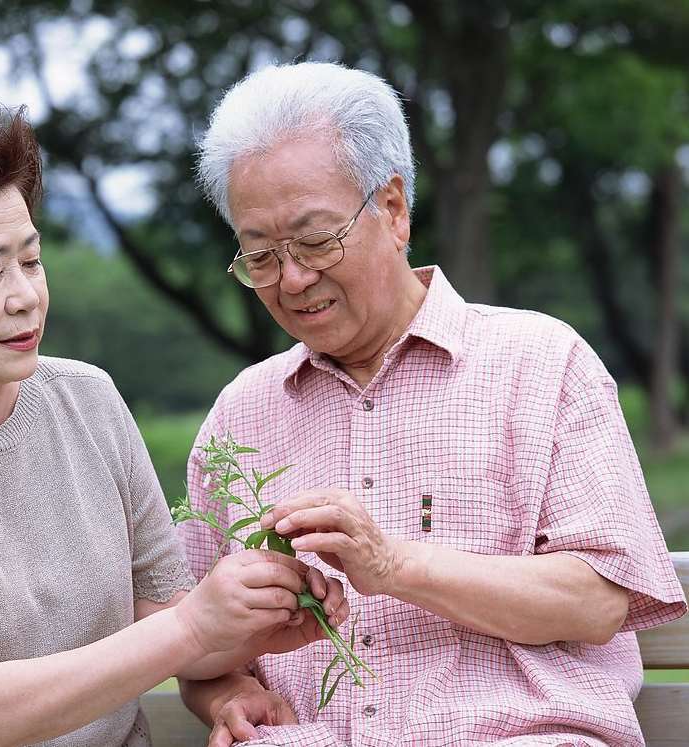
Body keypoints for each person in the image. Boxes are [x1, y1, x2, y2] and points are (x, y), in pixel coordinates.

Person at [0, 107, 349, 747]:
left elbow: (163, 615)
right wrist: (195, 625)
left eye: (31, 261)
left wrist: (250, 625)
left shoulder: (86, 398)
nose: (26, 295)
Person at [177, 62, 688, 747]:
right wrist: (227, 693)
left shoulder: (540, 363)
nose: (292, 279)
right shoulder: (240, 416)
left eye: (315, 240)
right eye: (260, 256)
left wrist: (394, 567)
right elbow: (193, 642)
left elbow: (598, 600)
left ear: (391, 209)